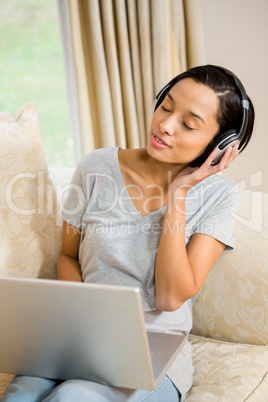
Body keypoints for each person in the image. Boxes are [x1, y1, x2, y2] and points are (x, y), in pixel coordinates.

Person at [3, 65, 254, 401]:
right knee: (19, 395)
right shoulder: (95, 167)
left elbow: (169, 298)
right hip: (81, 332)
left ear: (220, 144)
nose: (164, 125)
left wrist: (178, 194)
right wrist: (83, 319)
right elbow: (67, 255)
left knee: (73, 397)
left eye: (188, 124)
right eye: (166, 106)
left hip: (154, 348)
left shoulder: (218, 196)